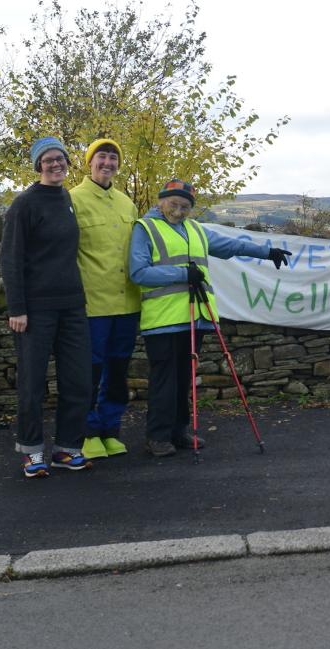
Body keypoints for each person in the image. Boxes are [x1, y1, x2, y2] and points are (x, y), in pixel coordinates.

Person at [128, 179, 293, 456]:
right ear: (161, 201)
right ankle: (157, 436)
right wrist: (182, 274)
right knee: (164, 380)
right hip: (163, 319)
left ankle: (180, 432)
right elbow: (138, 272)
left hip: (196, 317)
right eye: (174, 204)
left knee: (183, 380)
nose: (179, 211)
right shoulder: (145, 228)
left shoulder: (195, 230)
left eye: (185, 207)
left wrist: (267, 252)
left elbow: (232, 246)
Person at [0, 137, 93, 477]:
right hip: (35, 310)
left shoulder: (65, 198)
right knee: (32, 384)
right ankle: (32, 451)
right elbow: (11, 259)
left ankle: (67, 449)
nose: (57, 164)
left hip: (72, 306)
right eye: (49, 160)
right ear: (38, 165)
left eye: (61, 159)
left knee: (78, 380)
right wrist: (17, 309)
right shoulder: (24, 204)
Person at [70, 139, 140, 460]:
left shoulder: (127, 204)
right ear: (90, 162)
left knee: (118, 369)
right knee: (91, 371)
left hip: (128, 304)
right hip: (92, 304)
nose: (108, 162)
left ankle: (111, 428)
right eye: (102, 156)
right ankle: (88, 432)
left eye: (113, 157)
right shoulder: (72, 200)